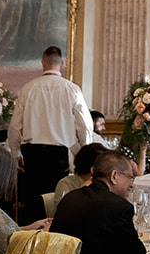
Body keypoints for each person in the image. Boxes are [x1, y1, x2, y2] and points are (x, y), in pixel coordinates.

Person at [7, 46, 93, 219]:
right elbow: (84, 125)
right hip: (60, 154)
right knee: (58, 200)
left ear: (42, 63)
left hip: (32, 153)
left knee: (34, 202)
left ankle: (32, 239)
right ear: (61, 63)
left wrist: (15, 153)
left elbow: (15, 126)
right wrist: (86, 151)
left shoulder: (28, 88)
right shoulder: (72, 89)